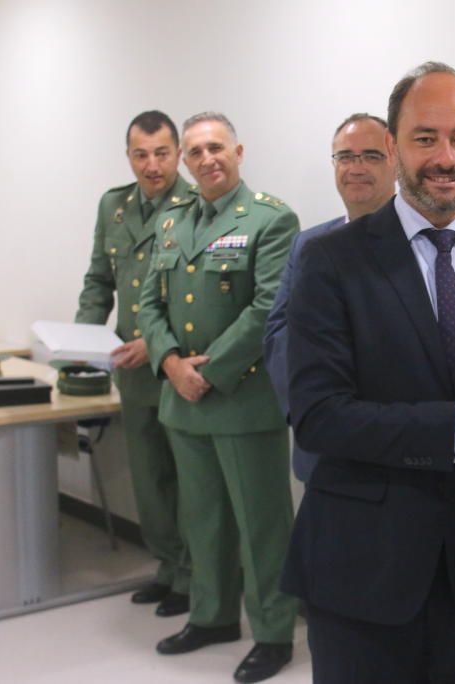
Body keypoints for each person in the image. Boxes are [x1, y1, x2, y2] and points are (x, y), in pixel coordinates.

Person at [282, 62, 455, 684]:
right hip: (364, 577)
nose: (445, 157)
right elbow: (316, 415)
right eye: (426, 138)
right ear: (394, 144)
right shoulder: (328, 261)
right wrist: (452, 422)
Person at [138, 112, 299, 683]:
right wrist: (170, 363)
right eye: (196, 152)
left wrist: (210, 370)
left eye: (216, 148)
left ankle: (275, 631)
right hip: (183, 399)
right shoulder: (171, 222)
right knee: (201, 519)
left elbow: (269, 308)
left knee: (261, 526)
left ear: (238, 150)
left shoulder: (269, 218)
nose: (207, 159)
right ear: (185, 161)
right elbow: (149, 304)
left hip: (241, 397)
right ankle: (211, 616)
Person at [75, 110, 193, 617]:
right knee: (149, 480)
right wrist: (81, 344)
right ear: (129, 156)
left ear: (178, 154)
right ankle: (167, 568)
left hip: (179, 368)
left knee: (189, 480)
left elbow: (197, 297)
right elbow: (99, 280)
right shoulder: (114, 208)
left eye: (162, 153)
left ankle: (195, 577)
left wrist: (156, 342)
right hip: (131, 371)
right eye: (141, 155)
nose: (152, 166)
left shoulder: (197, 204)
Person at [264, 113, 396, 483]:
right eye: (345, 157)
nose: (356, 167)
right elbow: (278, 333)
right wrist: (308, 410)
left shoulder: (420, 243)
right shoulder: (308, 244)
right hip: (320, 447)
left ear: (396, 162)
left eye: (371, 156)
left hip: (391, 449)